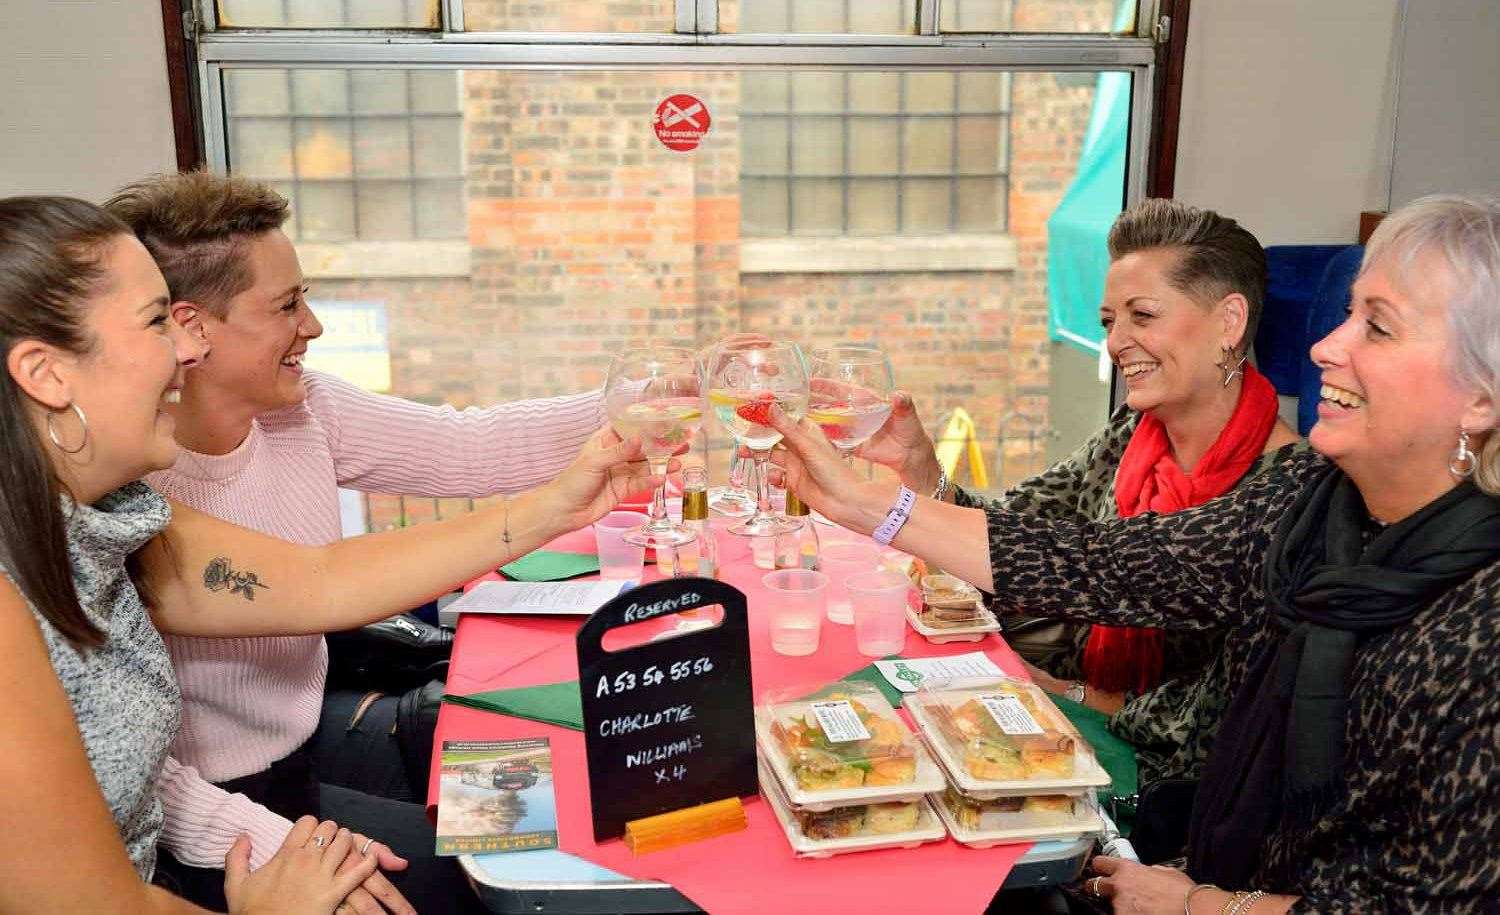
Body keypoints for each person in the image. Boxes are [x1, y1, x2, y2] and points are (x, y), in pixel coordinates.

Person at [770, 193, 1500, 911]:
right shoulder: (1316, 500)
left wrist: (1201, 905)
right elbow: (1099, 560)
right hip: (1227, 857)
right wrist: (875, 503)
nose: (1325, 347)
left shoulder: (1478, 631)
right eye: (1346, 313)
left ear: (1482, 398)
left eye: (1376, 326)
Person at [0, 195, 660, 913]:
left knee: (548, 821)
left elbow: (320, 580)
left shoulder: (113, 512)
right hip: (226, 829)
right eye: (158, 321)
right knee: (502, 874)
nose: (185, 351)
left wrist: (562, 501)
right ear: (45, 374)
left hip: (295, 765)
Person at [857, 198, 1300, 785]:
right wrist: (921, 472)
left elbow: (1216, 719)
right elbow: (1019, 538)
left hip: (1168, 782)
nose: (1117, 344)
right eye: (1110, 322)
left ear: (1229, 322)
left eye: (1143, 315)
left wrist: (1069, 694)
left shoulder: (1291, 490)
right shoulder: (1131, 433)